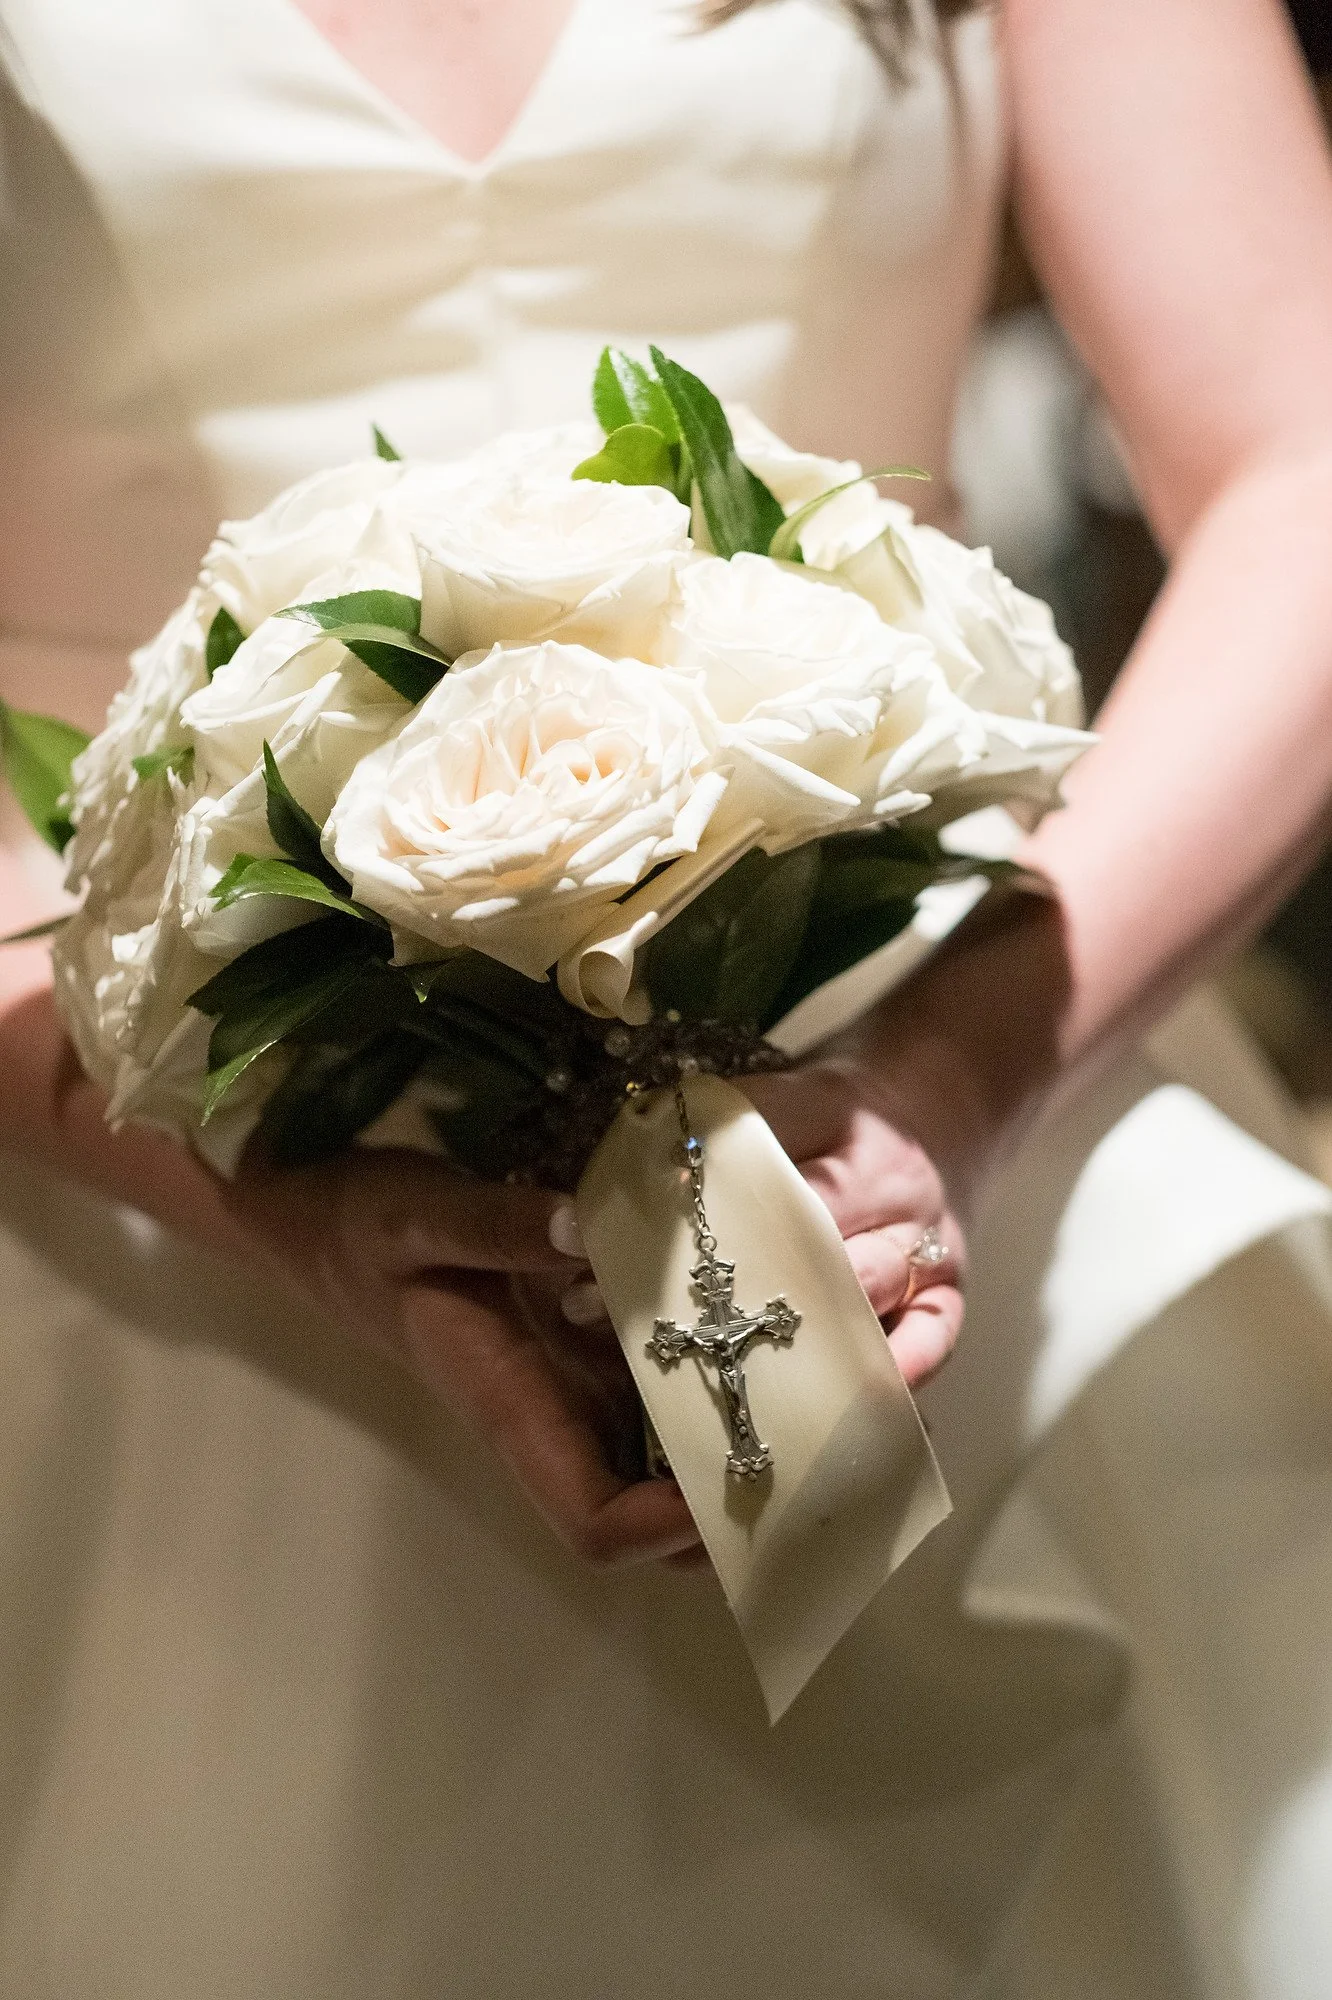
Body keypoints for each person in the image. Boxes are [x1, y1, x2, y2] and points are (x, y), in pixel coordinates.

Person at [1, 0, 1331, 1991]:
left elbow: (1300, 457)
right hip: (129, 1189)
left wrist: (952, 1078)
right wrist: (243, 1177)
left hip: (977, 1063)